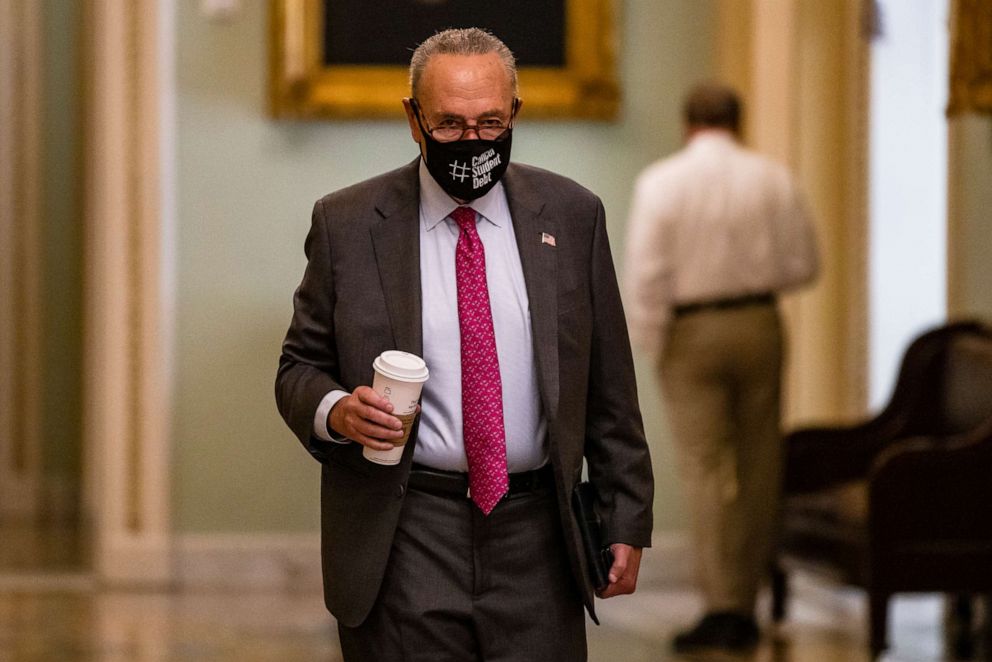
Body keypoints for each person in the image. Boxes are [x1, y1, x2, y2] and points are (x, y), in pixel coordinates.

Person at [275, 27, 654, 662]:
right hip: (406, 529)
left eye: (490, 123)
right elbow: (298, 367)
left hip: (538, 534)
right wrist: (337, 410)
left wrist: (626, 516)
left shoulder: (571, 215)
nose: (472, 142)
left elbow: (610, 383)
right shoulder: (347, 223)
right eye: (450, 125)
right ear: (413, 119)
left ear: (515, 116)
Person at [623, 82, 819, 654]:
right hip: (759, 323)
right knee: (761, 463)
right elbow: (804, 264)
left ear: (688, 123)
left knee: (703, 467)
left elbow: (646, 272)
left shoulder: (661, 182)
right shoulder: (773, 177)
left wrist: (649, 341)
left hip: (692, 329)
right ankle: (747, 600)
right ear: (740, 120)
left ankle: (718, 605)